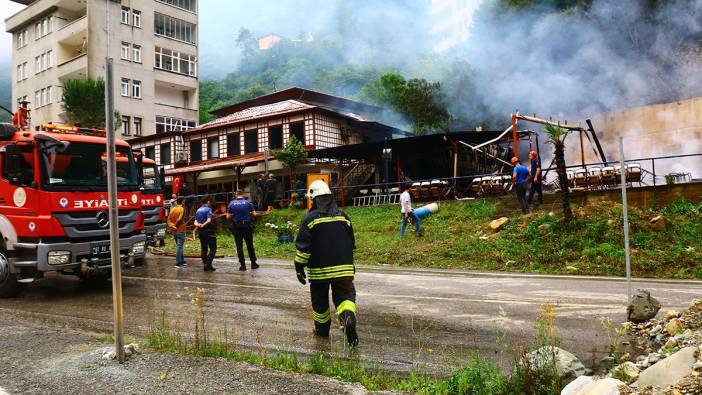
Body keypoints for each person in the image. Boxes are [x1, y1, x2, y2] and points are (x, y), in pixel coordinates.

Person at [294, 180, 358, 347]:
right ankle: (348, 319)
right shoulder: (343, 217)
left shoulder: (310, 219)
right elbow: (351, 242)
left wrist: (299, 267)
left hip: (319, 272)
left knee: (320, 302)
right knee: (345, 297)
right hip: (344, 270)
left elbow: (303, 247)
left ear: (314, 199)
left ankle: (322, 330)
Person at [226, 190, 265, 271]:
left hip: (236, 226)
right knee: (250, 245)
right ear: (242, 194)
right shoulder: (248, 203)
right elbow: (254, 214)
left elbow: (228, 217)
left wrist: (234, 215)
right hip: (246, 226)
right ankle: (253, 263)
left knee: (239, 246)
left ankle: (242, 265)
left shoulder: (231, 203)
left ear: (236, 195)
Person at [194, 198, 217, 272]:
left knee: (204, 248)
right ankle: (208, 263)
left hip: (200, 231)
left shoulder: (198, 210)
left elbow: (195, 222)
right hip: (208, 231)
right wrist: (203, 225)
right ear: (208, 202)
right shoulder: (208, 209)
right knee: (213, 248)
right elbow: (209, 220)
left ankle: (206, 265)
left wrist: (199, 225)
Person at [166, 196, 187, 269]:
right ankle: (178, 263)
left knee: (179, 246)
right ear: (183, 201)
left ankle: (182, 261)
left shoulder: (173, 209)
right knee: (179, 247)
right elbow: (180, 219)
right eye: (184, 201)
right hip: (180, 230)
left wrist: (172, 226)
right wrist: (175, 226)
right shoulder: (182, 209)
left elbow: (168, 219)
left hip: (174, 231)